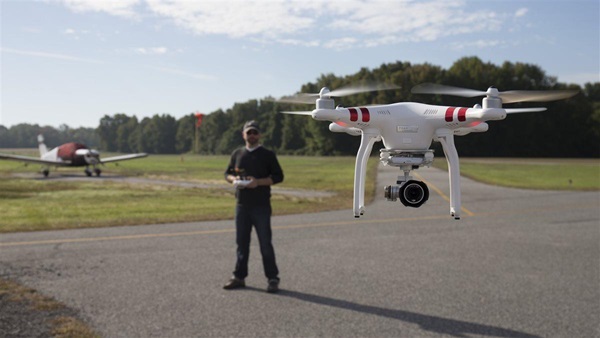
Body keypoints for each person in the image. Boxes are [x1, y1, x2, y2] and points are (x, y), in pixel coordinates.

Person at [223, 120, 284, 293]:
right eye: (248, 132)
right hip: (242, 205)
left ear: (260, 135)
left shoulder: (267, 154)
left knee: (265, 244)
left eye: (255, 132)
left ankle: (272, 278)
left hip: (261, 206)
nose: (252, 135)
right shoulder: (237, 153)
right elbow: (227, 173)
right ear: (243, 135)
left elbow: (279, 176)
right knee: (241, 243)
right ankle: (239, 277)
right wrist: (233, 180)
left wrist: (258, 182)